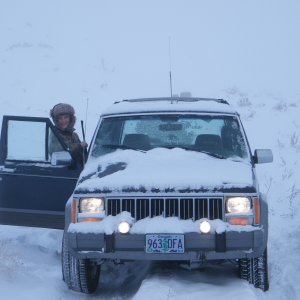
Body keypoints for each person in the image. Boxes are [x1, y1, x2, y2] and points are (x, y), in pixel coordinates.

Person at [49, 103, 87, 167]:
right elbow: (59, 155)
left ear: (71, 119)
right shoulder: (55, 136)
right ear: (55, 120)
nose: (63, 121)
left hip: (79, 170)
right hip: (65, 172)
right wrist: (79, 147)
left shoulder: (74, 135)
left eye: (66, 117)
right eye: (60, 118)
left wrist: (84, 148)